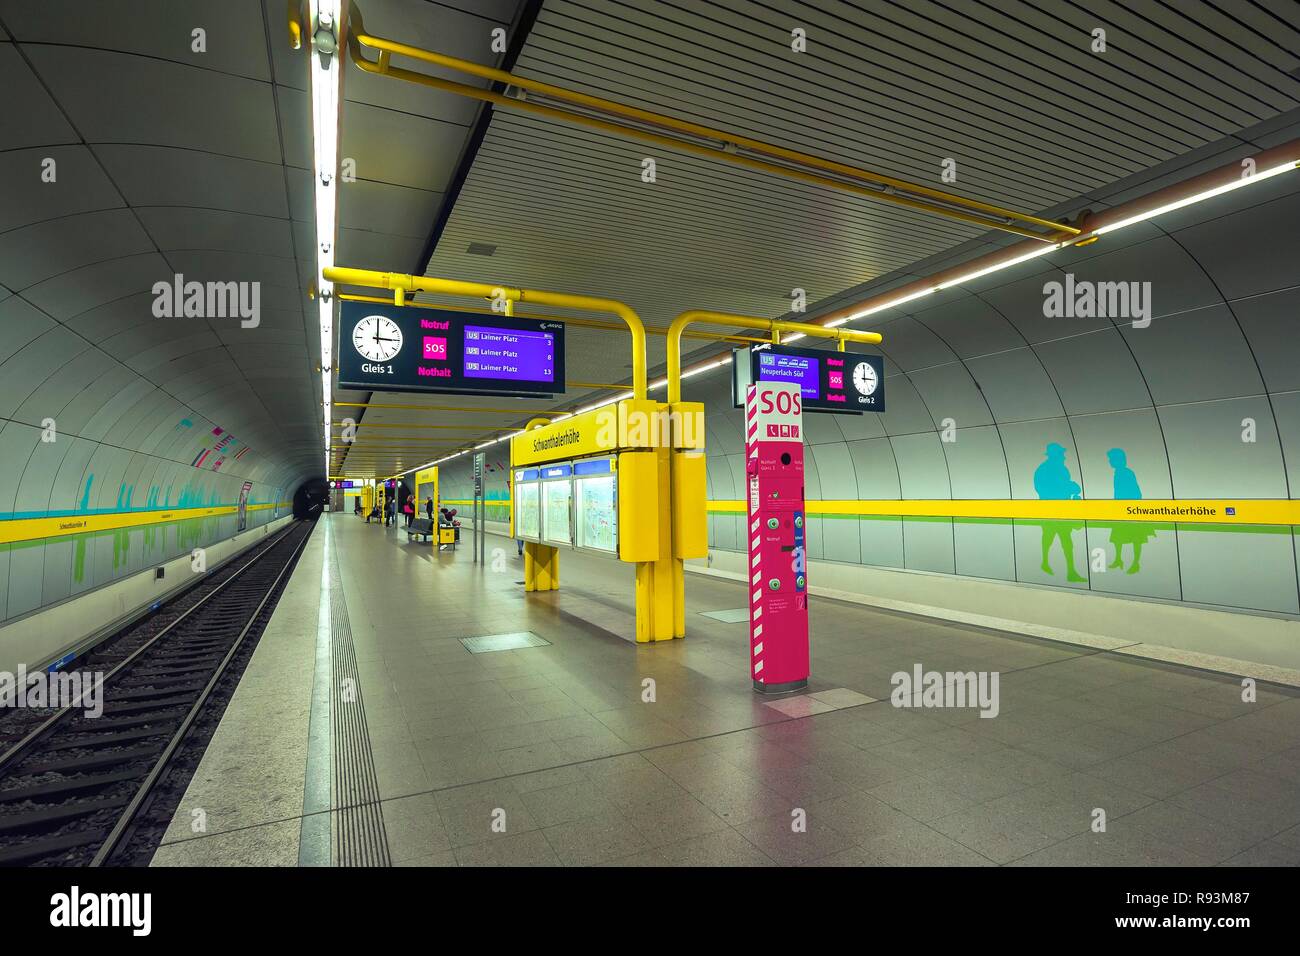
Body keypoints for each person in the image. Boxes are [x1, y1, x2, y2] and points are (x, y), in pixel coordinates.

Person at [1033, 442, 1085, 582]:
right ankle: (1048, 564)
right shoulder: (1045, 470)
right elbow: (1045, 489)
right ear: (1054, 455)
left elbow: (1064, 485)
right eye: (1061, 454)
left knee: (1062, 539)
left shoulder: (1060, 468)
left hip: (1061, 510)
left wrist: (1071, 487)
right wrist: (1069, 488)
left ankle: (1068, 570)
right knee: (1052, 538)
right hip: (1051, 511)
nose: (1064, 456)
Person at [1106, 448, 1154, 575]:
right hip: (1121, 509)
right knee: (1117, 536)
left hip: (1130, 510)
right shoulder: (1118, 473)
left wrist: (1129, 507)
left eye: (1111, 459)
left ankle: (1136, 563)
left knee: (1136, 538)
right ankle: (1118, 559)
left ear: (1119, 460)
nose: (1110, 461)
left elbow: (1137, 492)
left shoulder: (1126, 473)